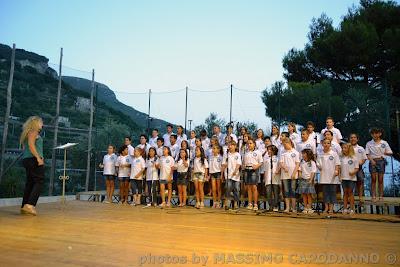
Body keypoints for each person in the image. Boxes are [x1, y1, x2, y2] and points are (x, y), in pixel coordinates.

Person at [20, 116, 45, 216]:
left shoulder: (27, 133)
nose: (42, 124)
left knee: (30, 183)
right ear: (36, 123)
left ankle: (24, 206)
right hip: (33, 160)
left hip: (28, 160)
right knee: (39, 181)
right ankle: (30, 205)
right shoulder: (33, 131)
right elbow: (31, 145)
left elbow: (26, 147)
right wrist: (38, 158)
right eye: (41, 122)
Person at [365, 128, 393, 201]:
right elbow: (367, 154)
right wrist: (371, 160)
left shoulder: (384, 143)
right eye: (373, 133)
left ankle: (381, 196)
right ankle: (373, 196)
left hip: (381, 161)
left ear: (380, 134)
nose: (374, 135)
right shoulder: (369, 143)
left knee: (381, 179)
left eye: (376, 133)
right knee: (373, 179)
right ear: (371, 134)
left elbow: (390, 152)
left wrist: (384, 153)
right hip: (372, 161)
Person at [316, 139, 340, 214]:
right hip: (324, 177)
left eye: (328, 143)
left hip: (333, 177)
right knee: (325, 193)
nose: (326, 144)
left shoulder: (334, 153)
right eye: (325, 143)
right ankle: (326, 208)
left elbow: (337, 164)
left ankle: (331, 208)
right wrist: (318, 165)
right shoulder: (320, 154)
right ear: (322, 144)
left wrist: (336, 171)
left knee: (332, 192)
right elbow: (319, 165)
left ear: (330, 144)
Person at [279, 137, 300, 213]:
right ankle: (287, 207)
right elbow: (281, 162)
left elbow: (297, 164)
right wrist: (284, 167)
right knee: (286, 191)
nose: (284, 146)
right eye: (283, 144)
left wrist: (294, 173)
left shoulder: (296, 152)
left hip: (293, 175)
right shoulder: (283, 153)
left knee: (293, 191)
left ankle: (293, 208)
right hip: (285, 175)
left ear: (290, 143)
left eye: (285, 144)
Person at [243, 138, 263, 211]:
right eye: (248, 143)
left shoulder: (258, 152)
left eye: (251, 143)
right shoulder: (246, 153)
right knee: (249, 187)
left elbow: (261, 162)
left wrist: (256, 166)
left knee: (254, 187)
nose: (249, 145)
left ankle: (255, 204)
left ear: (254, 144)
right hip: (247, 170)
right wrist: (244, 166)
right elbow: (244, 162)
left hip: (254, 170)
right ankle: (250, 203)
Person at [340, 143, 359, 215]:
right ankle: (345, 208)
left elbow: (357, 168)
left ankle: (351, 209)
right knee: (345, 193)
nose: (343, 149)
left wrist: (353, 172)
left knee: (350, 193)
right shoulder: (341, 158)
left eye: (345, 148)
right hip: (343, 178)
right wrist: (339, 176)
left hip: (351, 178)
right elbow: (339, 168)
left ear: (349, 149)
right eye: (343, 148)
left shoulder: (354, 158)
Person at [222, 141, 242, 210]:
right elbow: (223, 164)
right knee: (228, 188)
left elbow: (238, 164)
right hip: (228, 175)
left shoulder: (237, 154)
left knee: (236, 189)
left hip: (235, 175)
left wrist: (235, 171)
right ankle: (227, 202)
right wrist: (222, 173)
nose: (230, 146)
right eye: (229, 145)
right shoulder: (226, 154)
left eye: (232, 145)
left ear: (235, 146)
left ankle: (236, 203)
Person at [349, 133, 367, 206]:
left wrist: (360, 164)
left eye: (354, 137)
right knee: (350, 185)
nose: (353, 139)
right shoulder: (347, 147)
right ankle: (350, 199)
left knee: (360, 183)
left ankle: (360, 198)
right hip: (349, 169)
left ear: (357, 139)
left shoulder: (361, 148)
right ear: (349, 139)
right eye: (351, 137)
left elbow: (364, 158)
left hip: (359, 168)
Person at [297, 149, 317, 214]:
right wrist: (300, 177)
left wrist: (311, 180)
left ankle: (310, 208)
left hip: (309, 180)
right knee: (304, 194)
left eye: (304, 153)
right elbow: (300, 170)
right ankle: (305, 207)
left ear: (308, 154)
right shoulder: (302, 162)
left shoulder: (312, 162)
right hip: (302, 180)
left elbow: (313, 172)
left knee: (309, 194)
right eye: (302, 153)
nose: (302, 155)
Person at [264, 145, 280, 212]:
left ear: (273, 150)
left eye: (270, 149)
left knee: (276, 192)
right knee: (268, 193)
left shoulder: (277, 158)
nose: (268, 151)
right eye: (268, 149)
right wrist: (264, 179)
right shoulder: (267, 159)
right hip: (268, 178)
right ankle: (270, 205)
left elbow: (279, 167)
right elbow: (265, 170)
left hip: (275, 178)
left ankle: (276, 206)